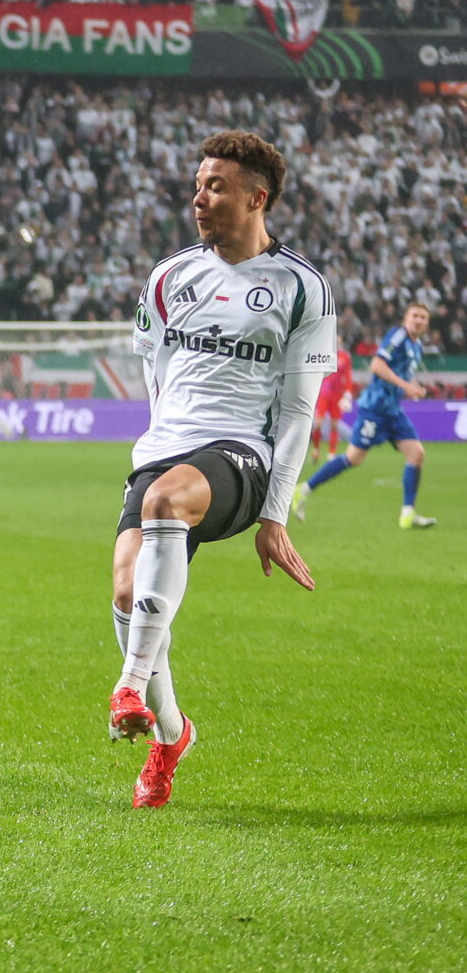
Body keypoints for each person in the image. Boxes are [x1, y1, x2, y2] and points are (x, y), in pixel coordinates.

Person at [109, 131, 335, 809]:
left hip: (243, 455)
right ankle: (171, 736)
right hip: (164, 450)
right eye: (197, 184)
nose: (199, 198)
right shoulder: (168, 276)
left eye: (216, 186)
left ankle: (128, 680)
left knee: (167, 503)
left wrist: (276, 511)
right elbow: (155, 371)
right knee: (126, 593)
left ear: (256, 197)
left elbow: (299, 412)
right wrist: (157, 445)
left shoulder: (302, 288)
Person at [294, 304, 436, 529]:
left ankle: (407, 514)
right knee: (353, 458)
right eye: (414, 315)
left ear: (427, 323)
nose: (418, 320)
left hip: (392, 409)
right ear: (406, 318)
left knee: (417, 454)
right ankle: (303, 490)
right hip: (375, 408)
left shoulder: (416, 345)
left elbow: (399, 375)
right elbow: (377, 365)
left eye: (423, 317)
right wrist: (405, 386)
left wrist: (412, 388)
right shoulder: (398, 335)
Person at [307, 347, 352, 462]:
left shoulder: (345, 357)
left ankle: (331, 453)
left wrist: (347, 393)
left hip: (337, 395)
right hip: (324, 393)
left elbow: (348, 376)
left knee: (334, 425)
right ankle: (316, 449)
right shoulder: (323, 353)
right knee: (318, 423)